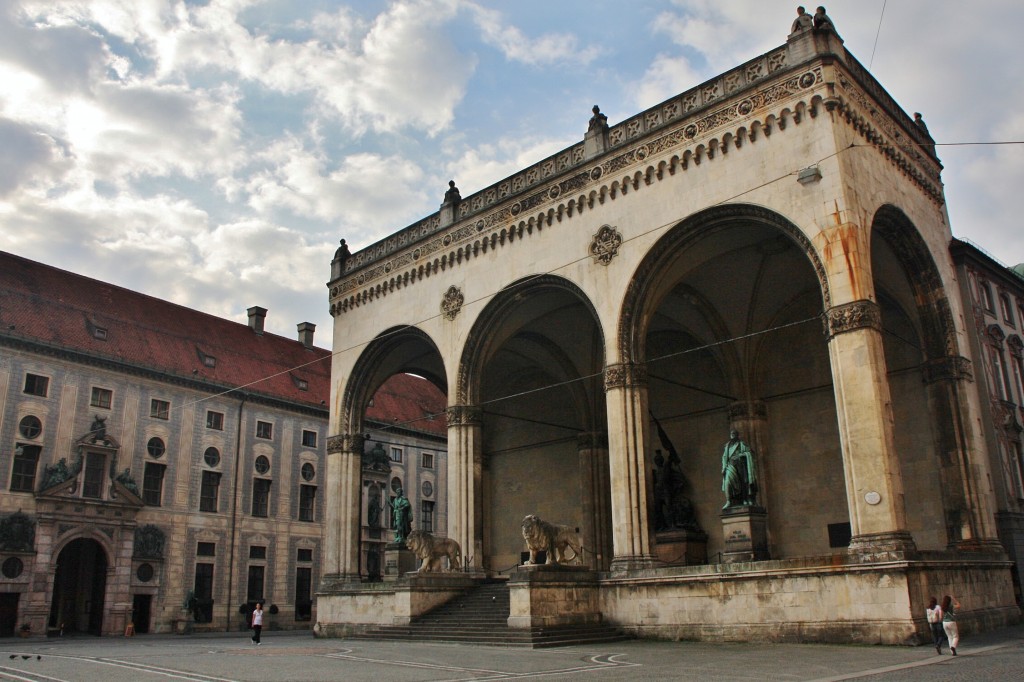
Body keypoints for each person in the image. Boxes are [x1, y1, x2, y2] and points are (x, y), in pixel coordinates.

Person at [721, 429, 758, 509]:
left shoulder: (742, 444)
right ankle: (729, 501)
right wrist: (724, 467)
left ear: (737, 435)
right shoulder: (727, 446)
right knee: (727, 482)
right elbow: (724, 457)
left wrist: (741, 455)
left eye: (734, 433)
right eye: (731, 433)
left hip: (740, 466)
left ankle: (745, 499)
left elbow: (751, 453)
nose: (733, 435)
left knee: (743, 482)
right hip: (730, 466)